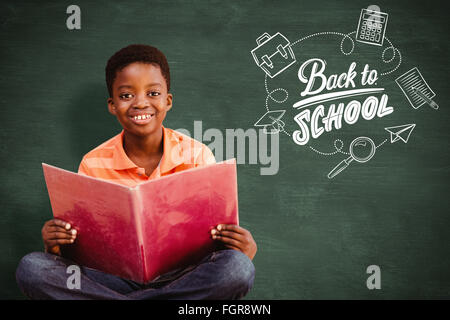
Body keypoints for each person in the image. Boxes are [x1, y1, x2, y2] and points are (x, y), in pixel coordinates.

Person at [16, 44, 257, 300]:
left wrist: (244, 249)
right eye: (126, 95)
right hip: (113, 280)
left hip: (184, 277)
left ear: (168, 100)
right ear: (112, 105)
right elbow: (85, 252)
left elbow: (216, 241)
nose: (141, 103)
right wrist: (54, 246)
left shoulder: (198, 156)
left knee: (237, 269)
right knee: (33, 268)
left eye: (153, 93)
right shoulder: (93, 163)